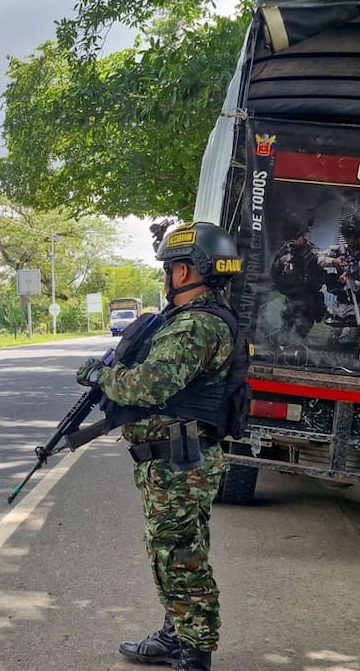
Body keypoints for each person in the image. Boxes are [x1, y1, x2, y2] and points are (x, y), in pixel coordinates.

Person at [76, 222, 249, 671]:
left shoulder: (197, 325)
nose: (167, 276)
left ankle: (194, 651)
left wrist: (101, 375)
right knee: (175, 551)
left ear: (187, 271)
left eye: (170, 268)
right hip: (176, 460)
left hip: (179, 464)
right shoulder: (196, 319)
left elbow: (149, 385)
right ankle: (178, 633)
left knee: (180, 556)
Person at [317, 214, 360, 346]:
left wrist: (350, 281)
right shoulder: (340, 250)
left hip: (357, 305)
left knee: (347, 341)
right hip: (339, 303)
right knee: (331, 340)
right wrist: (333, 262)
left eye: (355, 237)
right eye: (347, 237)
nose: (351, 240)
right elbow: (317, 258)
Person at [269, 218, 324, 345]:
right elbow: (274, 272)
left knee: (300, 332)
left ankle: (297, 345)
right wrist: (280, 263)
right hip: (291, 296)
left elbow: (314, 282)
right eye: (289, 239)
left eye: (294, 238)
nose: (291, 242)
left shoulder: (313, 254)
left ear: (303, 236)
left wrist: (293, 275)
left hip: (307, 299)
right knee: (286, 322)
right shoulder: (286, 250)